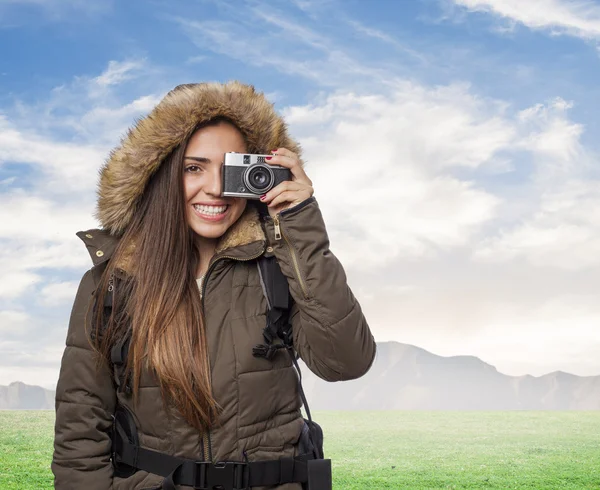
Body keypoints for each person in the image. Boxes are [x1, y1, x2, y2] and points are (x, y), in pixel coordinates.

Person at [51, 81, 376, 490]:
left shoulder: (280, 266)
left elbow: (347, 362)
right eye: (193, 168)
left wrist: (300, 227)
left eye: (232, 170)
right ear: (159, 175)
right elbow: (80, 433)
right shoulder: (112, 283)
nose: (217, 188)